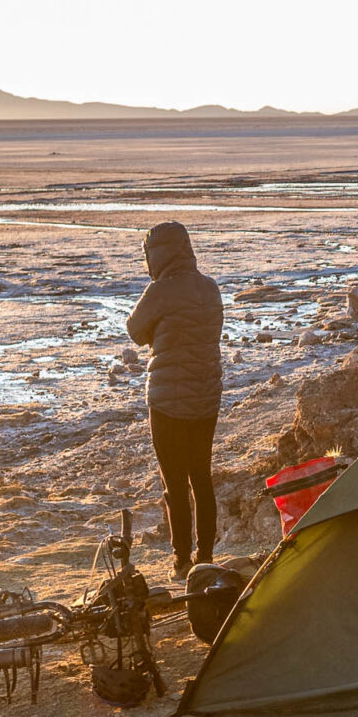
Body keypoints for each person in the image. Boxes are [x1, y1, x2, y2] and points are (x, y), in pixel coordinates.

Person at [127, 221, 223, 581]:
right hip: (206, 398)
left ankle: (182, 561)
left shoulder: (159, 292)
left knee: (175, 484)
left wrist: (159, 331)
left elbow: (135, 331)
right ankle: (207, 556)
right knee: (202, 477)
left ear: (155, 255)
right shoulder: (210, 288)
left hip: (167, 401)